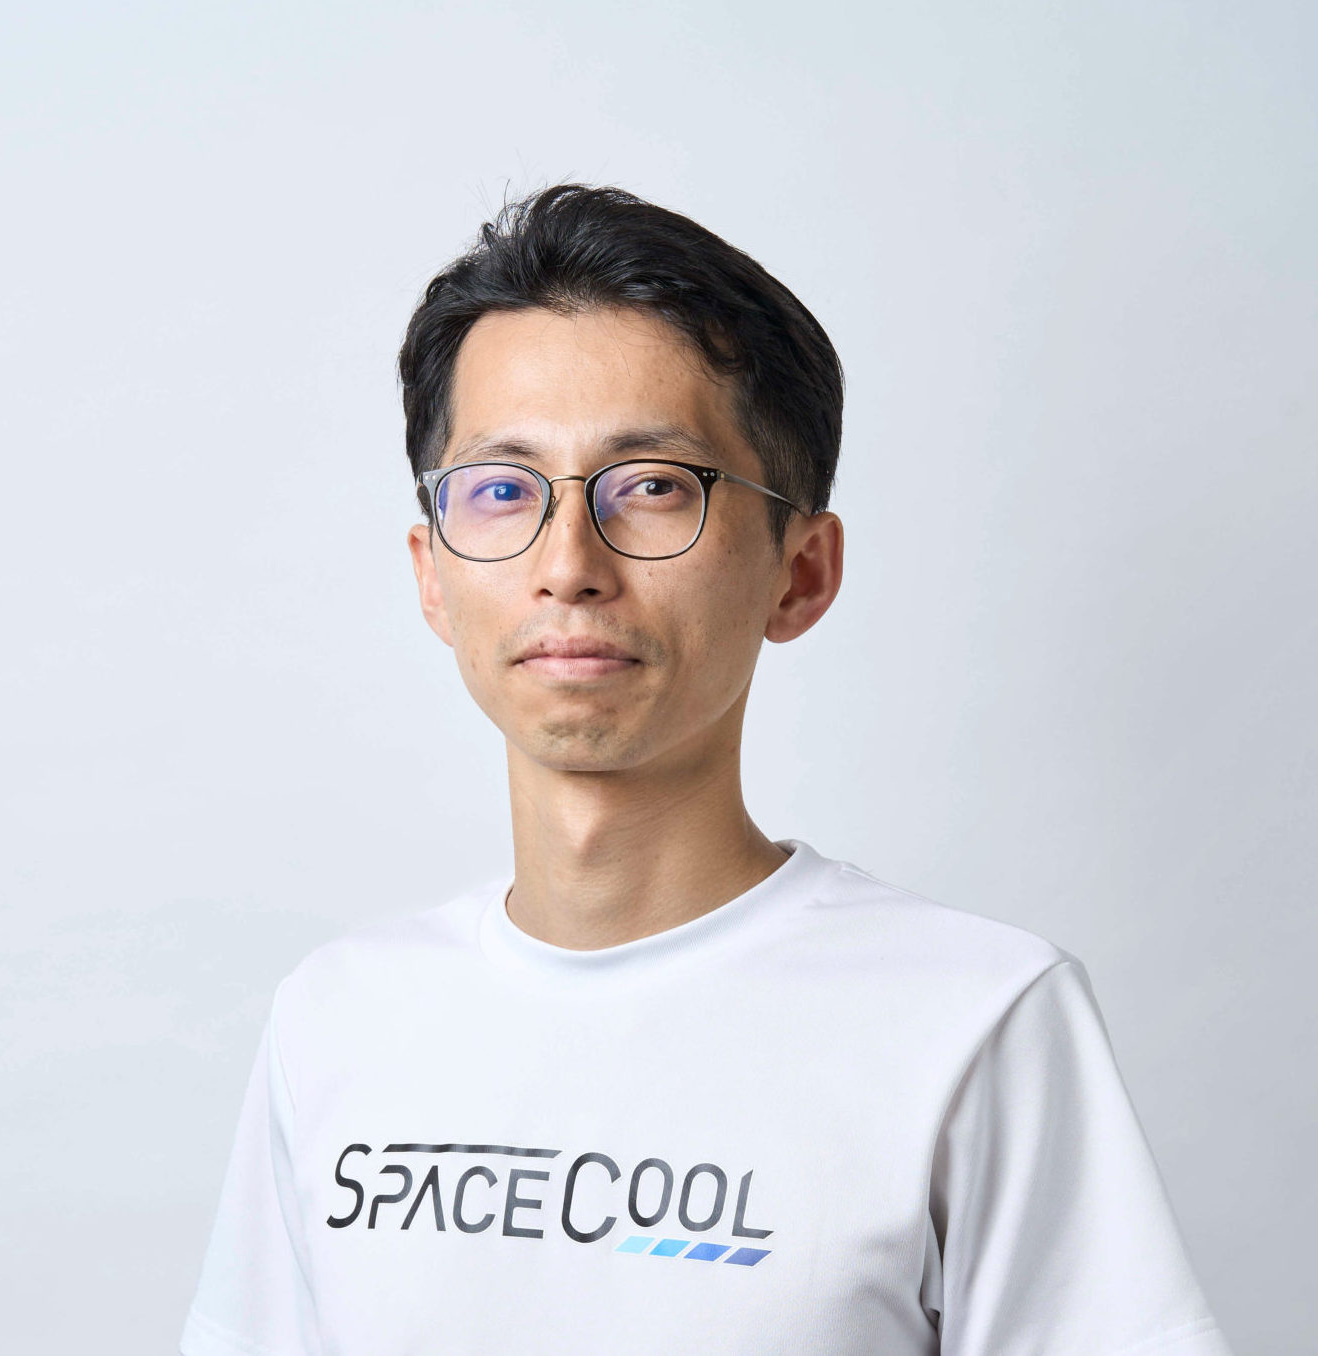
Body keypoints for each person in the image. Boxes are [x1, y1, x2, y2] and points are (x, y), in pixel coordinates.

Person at [180, 184, 1235, 1355]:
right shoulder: (338, 1020)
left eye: (651, 487)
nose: (568, 564)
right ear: (433, 574)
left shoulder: (973, 1021)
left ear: (800, 573)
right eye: (501, 490)